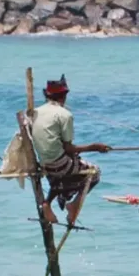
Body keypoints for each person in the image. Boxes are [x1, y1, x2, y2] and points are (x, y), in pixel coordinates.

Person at [30, 75, 110, 226]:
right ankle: (74, 205)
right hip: (60, 165)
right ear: (64, 96)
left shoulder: (34, 112)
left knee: (63, 173)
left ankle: (47, 203)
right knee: (95, 172)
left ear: (47, 95)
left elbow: (54, 143)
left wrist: (73, 152)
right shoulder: (64, 114)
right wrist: (94, 147)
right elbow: (68, 147)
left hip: (45, 164)